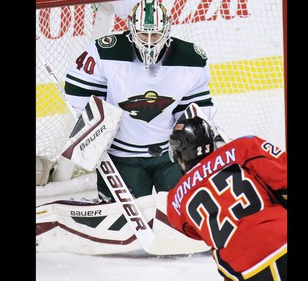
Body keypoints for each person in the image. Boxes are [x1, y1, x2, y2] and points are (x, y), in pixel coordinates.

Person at [64, 0, 216, 202]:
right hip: (121, 157)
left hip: (170, 155)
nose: (150, 41)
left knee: (183, 214)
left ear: (167, 30)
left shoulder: (190, 59)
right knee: (122, 224)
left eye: (156, 34)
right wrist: (97, 128)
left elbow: (195, 107)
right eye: (144, 34)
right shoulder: (106, 52)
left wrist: (192, 135)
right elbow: (79, 91)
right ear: (131, 30)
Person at [166, 116, 287, 281]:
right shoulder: (243, 147)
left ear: (180, 154)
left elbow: (198, 233)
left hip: (242, 266)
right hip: (281, 236)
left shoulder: (175, 200)